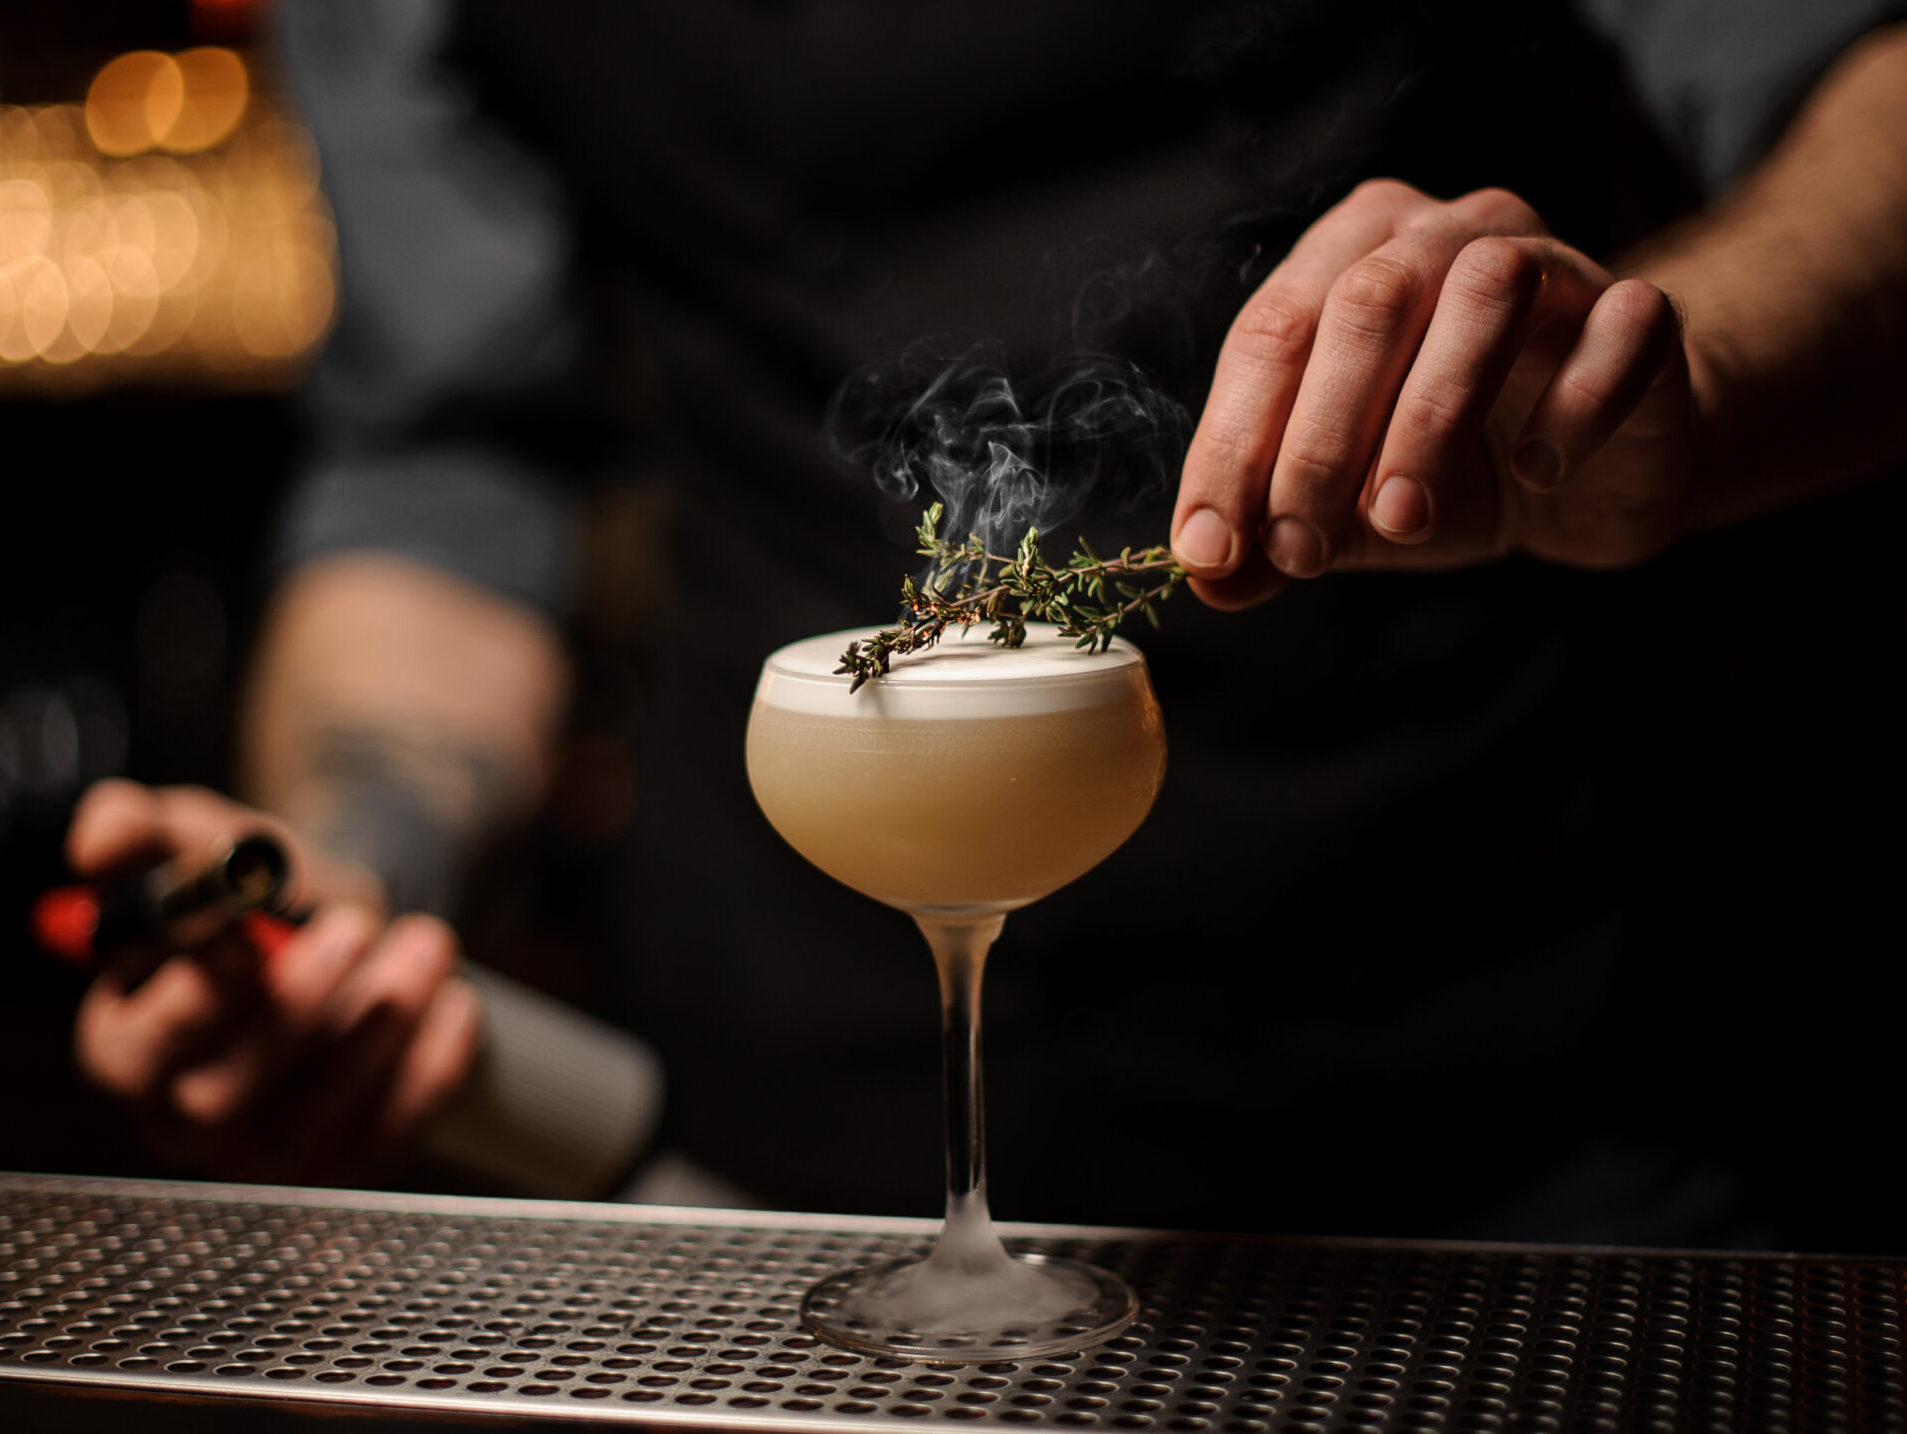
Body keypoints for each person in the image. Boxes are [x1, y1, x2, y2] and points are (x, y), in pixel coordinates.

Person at [59, 0, 1907, 1244]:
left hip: (1506, 1087)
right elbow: (455, 457)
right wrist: (350, 880)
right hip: (780, 1141)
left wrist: (1669, 389)